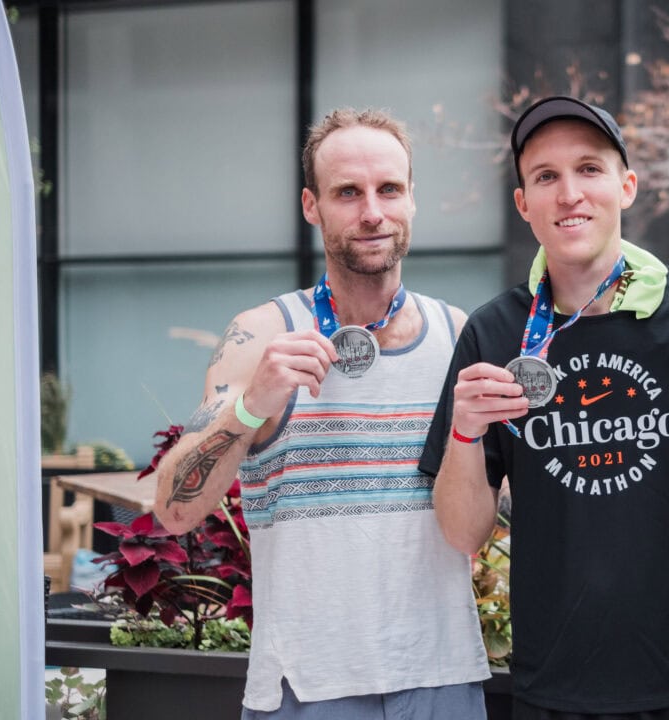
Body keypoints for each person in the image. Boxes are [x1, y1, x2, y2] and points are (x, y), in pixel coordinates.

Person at [152, 108, 490, 719]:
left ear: (413, 198)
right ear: (311, 206)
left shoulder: (458, 335)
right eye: (347, 193)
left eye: (389, 189)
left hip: (442, 680)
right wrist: (252, 405)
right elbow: (175, 510)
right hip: (306, 688)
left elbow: (502, 505)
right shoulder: (259, 336)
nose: (371, 212)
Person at [420, 95, 669, 719]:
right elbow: (463, 534)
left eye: (589, 169)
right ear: (524, 205)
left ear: (626, 186)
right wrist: (463, 432)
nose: (570, 193)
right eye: (546, 177)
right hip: (555, 685)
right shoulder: (494, 332)